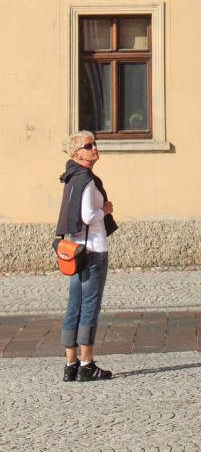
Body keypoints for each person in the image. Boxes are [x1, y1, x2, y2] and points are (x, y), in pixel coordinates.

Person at [55, 131, 117, 380]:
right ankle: (87, 364)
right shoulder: (87, 180)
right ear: (77, 153)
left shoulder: (71, 178)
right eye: (88, 145)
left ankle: (71, 365)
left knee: (74, 305)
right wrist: (105, 209)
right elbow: (88, 216)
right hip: (92, 250)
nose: (94, 148)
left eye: (94, 143)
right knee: (90, 306)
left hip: (75, 251)